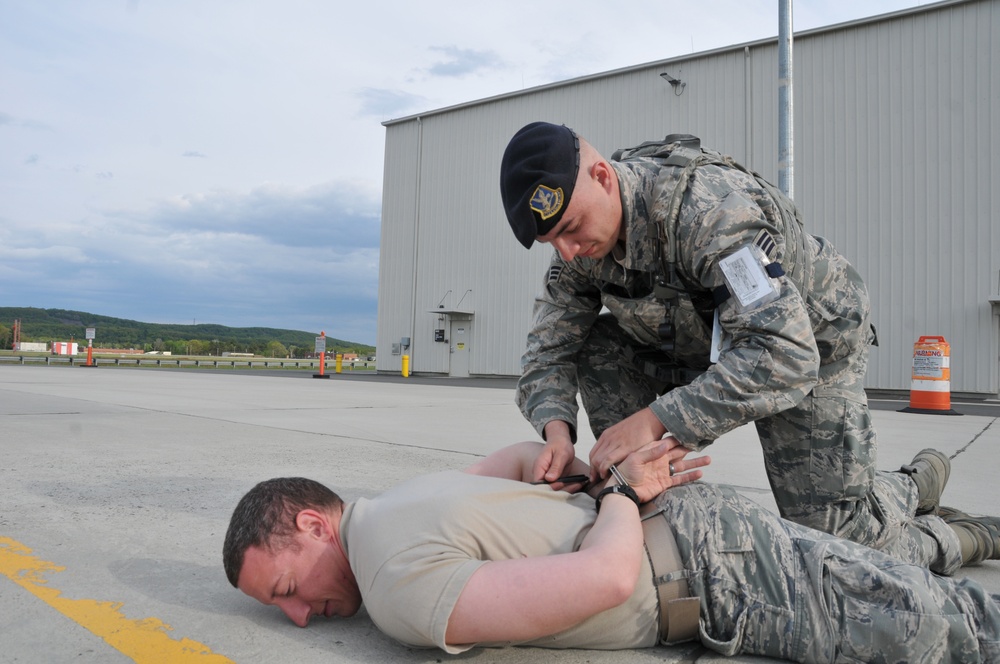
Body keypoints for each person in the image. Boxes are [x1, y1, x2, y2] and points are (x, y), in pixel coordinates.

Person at [498, 121, 1000, 572]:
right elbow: (548, 349)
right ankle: (651, 502)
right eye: (551, 243)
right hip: (702, 347)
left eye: (569, 229)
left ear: (603, 177)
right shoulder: (580, 251)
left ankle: (930, 502)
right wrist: (556, 431)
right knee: (598, 345)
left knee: (843, 547)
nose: (566, 252)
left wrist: (655, 420)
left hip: (811, 345)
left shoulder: (710, 213)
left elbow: (783, 353)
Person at [223, 440, 1000, 661]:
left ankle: (928, 505)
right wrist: (589, 486)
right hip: (701, 535)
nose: (297, 616)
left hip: (714, 573)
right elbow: (528, 456)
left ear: (314, 526)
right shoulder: (406, 497)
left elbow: (606, 577)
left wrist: (620, 496)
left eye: (286, 586)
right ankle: (945, 514)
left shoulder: (394, 588)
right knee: (866, 562)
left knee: (954, 631)